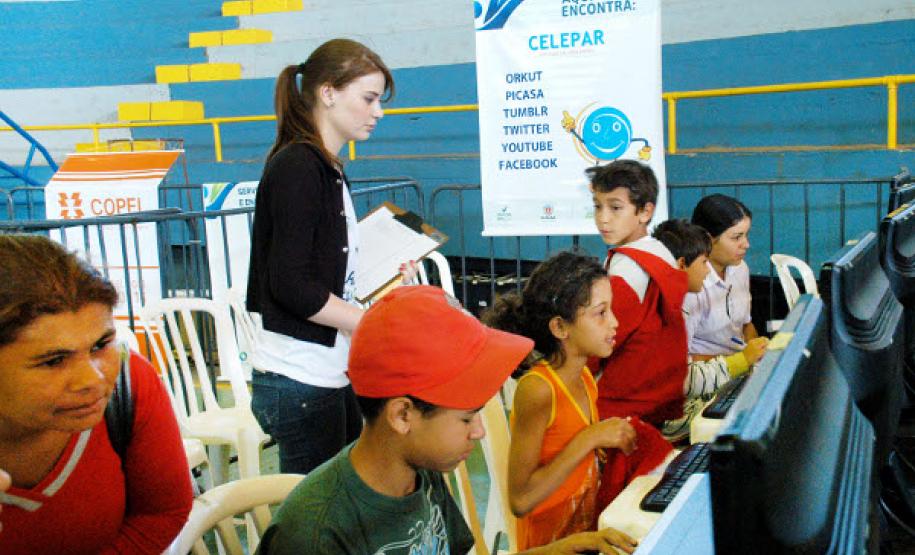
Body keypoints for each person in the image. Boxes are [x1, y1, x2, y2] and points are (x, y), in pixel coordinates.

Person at [256, 285, 639, 554]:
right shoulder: (315, 535)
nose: (480, 430)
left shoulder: (419, 474)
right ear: (403, 415)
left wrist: (557, 551)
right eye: (467, 418)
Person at [246, 38, 397, 474]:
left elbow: (327, 269)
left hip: (326, 372)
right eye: (368, 98)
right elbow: (292, 285)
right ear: (328, 93)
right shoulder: (298, 166)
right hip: (300, 379)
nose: (378, 112)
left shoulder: (326, 166)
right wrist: (366, 323)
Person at [0, 234, 192, 553]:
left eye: (101, 345)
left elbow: (161, 512)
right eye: (54, 360)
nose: (93, 379)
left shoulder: (130, 384)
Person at [484, 251, 642, 549]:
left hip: (586, 535)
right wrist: (590, 439)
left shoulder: (583, 379)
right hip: (552, 545)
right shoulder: (538, 390)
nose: (615, 323)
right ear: (560, 328)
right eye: (601, 313)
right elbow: (521, 499)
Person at [651, 219, 769, 439]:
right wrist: (741, 361)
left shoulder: (668, 303)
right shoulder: (671, 312)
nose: (707, 273)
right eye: (704, 263)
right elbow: (686, 381)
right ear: (681, 265)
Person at [684, 194, 762, 359]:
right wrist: (741, 360)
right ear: (707, 239)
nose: (746, 244)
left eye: (746, 235)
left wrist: (759, 351)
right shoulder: (691, 285)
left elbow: (746, 324)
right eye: (736, 237)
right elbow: (681, 359)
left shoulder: (740, 268)